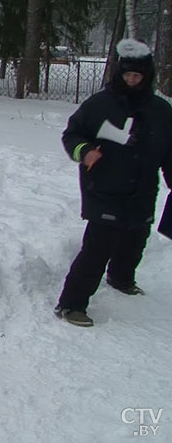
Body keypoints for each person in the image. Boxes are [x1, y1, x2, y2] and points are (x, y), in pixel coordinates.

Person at [55, 39, 172, 327]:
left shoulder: (161, 110)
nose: (132, 80)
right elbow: (72, 134)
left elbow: (169, 150)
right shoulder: (99, 105)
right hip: (104, 188)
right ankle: (71, 305)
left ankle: (121, 279)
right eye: (127, 75)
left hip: (143, 188)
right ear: (119, 74)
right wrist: (85, 151)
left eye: (138, 76)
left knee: (135, 238)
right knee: (98, 247)